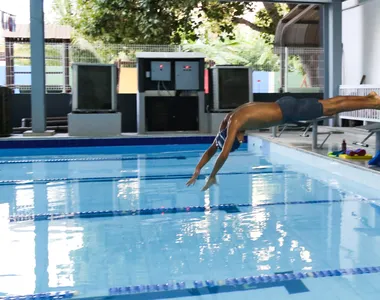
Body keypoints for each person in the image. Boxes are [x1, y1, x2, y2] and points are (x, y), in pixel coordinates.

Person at [186, 92, 380, 191]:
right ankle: (369, 98)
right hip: (283, 105)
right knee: (330, 105)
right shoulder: (228, 119)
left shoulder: (235, 124)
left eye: (240, 140)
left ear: (236, 136)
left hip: (288, 111)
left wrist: (212, 175)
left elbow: (223, 153)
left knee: (332, 108)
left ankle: (373, 102)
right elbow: (213, 148)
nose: (243, 138)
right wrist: (197, 170)